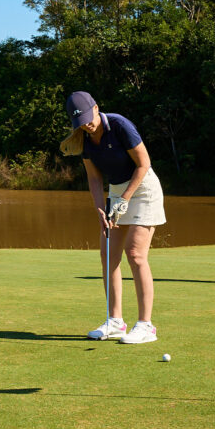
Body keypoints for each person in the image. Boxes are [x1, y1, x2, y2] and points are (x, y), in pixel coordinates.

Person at [60, 91, 166, 344]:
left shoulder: (120, 125)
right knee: (108, 256)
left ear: (96, 108)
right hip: (117, 190)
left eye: (88, 117)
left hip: (143, 188)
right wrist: (99, 209)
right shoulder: (83, 138)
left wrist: (125, 198)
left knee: (135, 254)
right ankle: (115, 321)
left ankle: (146, 326)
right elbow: (95, 178)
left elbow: (144, 163)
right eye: (80, 121)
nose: (87, 124)